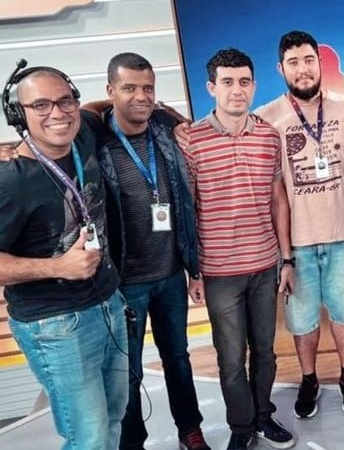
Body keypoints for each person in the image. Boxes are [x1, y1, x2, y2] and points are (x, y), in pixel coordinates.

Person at [0, 65, 127, 450]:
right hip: (56, 325)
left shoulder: (82, 132)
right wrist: (58, 267)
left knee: (113, 419)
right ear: (18, 115)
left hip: (108, 303)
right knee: (88, 437)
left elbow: (101, 106)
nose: (57, 112)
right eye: (40, 105)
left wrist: (169, 116)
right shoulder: (11, 180)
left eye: (64, 101)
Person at [93, 53, 210, 450]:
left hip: (171, 275)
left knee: (178, 357)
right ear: (110, 91)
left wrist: (193, 268)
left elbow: (184, 200)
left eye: (147, 88)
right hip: (125, 283)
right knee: (128, 372)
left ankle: (189, 429)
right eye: (129, 88)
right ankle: (133, 443)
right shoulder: (96, 140)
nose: (141, 96)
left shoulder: (164, 130)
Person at [183, 48, 295, 450]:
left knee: (264, 352)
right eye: (227, 82)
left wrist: (286, 260)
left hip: (265, 266)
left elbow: (278, 199)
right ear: (211, 87)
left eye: (244, 82)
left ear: (254, 85)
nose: (237, 90)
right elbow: (188, 207)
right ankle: (241, 427)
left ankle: (263, 416)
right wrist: (193, 271)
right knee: (231, 360)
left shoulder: (268, 136)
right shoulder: (191, 140)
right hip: (219, 272)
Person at [254, 30, 344, 419]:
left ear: (320, 62)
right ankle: (309, 379)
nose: (302, 69)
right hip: (297, 245)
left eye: (308, 60)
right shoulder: (266, 118)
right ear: (280, 69)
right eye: (293, 62)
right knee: (302, 321)